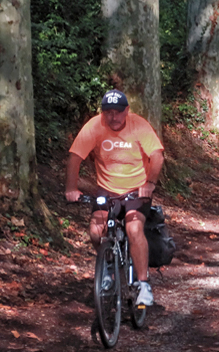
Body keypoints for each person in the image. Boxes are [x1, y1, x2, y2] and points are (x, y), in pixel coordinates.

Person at [65, 89, 164, 306]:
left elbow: (157, 155)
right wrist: (71, 188)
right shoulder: (94, 126)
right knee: (95, 230)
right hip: (107, 190)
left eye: (118, 112)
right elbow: (75, 157)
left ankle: (143, 284)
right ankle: (108, 270)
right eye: (108, 112)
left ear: (126, 111)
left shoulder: (139, 125)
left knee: (134, 227)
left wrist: (150, 184)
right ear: (102, 113)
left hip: (137, 190)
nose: (113, 117)